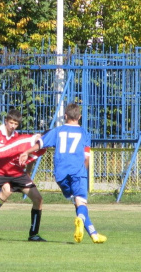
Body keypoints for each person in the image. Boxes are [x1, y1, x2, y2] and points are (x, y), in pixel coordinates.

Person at [19, 103, 107, 244]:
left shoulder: (57, 131)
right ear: (79, 117)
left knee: (76, 202)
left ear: (65, 116)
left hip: (60, 174)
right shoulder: (84, 133)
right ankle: (82, 220)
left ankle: (93, 233)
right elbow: (86, 157)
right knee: (81, 202)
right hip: (77, 172)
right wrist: (82, 172)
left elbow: (40, 143)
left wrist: (26, 152)